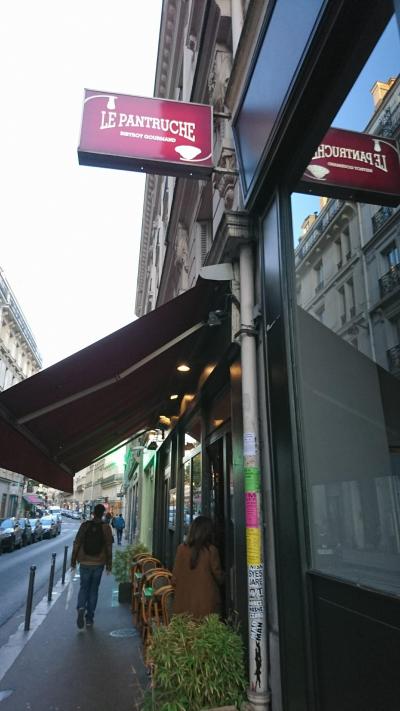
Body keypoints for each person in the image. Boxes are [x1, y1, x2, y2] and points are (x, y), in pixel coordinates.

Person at [172, 515, 224, 619]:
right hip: (206, 606)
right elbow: (219, 576)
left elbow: (174, 578)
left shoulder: (181, 549)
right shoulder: (211, 551)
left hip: (183, 606)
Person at [71, 503, 113, 629]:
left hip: (84, 561)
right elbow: (109, 547)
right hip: (98, 562)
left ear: (93, 513)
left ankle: (81, 607)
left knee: (84, 587)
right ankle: (89, 618)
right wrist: (109, 565)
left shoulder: (85, 525)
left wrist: (73, 561)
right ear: (103, 514)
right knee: (94, 589)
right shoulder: (106, 528)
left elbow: (77, 543)